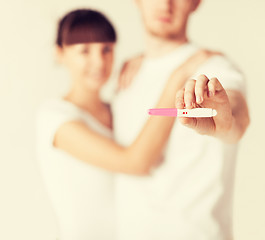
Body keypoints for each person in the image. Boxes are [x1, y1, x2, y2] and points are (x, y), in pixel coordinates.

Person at [36, 8, 206, 240]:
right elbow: (135, 162)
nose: (99, 61)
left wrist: (147, 62)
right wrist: (178, 77)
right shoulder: (55, 117)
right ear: (60, 53)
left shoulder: (117, 106)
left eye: (106, 49)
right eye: (84, 51)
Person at [112, 0, 250, 240]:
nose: (166, 5)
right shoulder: (124, 76)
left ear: (196, 3)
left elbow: (237, 119)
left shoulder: (216, 68)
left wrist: (223, 121)